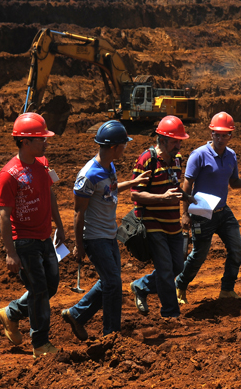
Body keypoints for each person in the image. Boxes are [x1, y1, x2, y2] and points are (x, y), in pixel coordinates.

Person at [60, 121, 150, 339]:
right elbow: (78, 212)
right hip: (94, 237)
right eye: (123, 145)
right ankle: (112, 334)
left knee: (109, 281)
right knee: (113, 284)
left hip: (109, 234)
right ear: (113, 147)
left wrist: (134, 182)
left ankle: (76, 315)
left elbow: (110, 189)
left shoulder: (109, 167)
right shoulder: (89, 175)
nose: (125, 148)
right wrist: (79, 246)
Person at [175, 112, 241, 304]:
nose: (220, 138)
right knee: (199, 255)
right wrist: (185, 213)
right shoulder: (199, 155)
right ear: (211, 134)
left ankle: (227, 290)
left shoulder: (231, 155)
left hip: (222, 211)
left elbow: (233, 183)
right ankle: (180, 285)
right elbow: (187, 185)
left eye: (224, 134)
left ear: (230, 135)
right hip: (202, 212)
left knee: (237, 248)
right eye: (216, 134)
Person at [0, 112, 65, 359]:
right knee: (40, 291)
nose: (46, 142)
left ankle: (11, 313)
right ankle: (41, 343)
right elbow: (3, 215)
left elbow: (51, 194)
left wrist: (60, 225)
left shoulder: (43, 163)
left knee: (50, 285)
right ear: (25, 141)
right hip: (24, 241)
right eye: (40, 139)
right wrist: (11, 253)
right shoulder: (9, 174)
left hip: (45, 238)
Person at [129, 115, 192, 318]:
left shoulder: (177, 159)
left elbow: (174, 188)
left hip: (172, 223)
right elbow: (135, 193)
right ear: (162, 140)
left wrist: (192, 199)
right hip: (153, 223)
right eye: (175, 141)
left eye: (180, 141)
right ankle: (170, 313)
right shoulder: (146, 160)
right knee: (165, 268)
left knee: (177, 266)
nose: (178, 145)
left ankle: (141, 286)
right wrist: (161, 198)